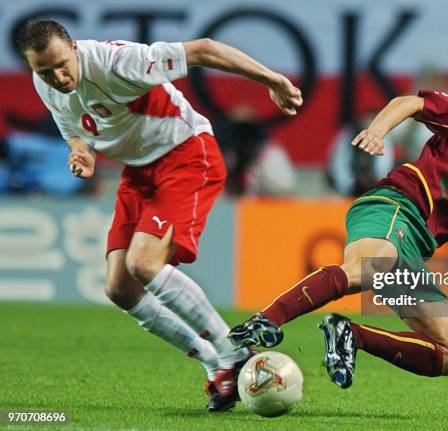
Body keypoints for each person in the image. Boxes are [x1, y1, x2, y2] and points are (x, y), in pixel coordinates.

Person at [16, 20, 302, 411]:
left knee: (143, 263)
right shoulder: (45, 80)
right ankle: (215, 365)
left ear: (75, 48)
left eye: (62, 65)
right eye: (45, 71)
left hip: (186, 154)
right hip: (138, 173)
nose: (58, 77)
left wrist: (271, 79)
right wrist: (81, 151)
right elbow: (73, 126)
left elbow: (203, 48)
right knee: (120, 289)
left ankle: (233, 353)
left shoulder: (119, 63)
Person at [228, 82, 448, 389]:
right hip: (396, 205)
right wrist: (377, 131)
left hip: (413, 248)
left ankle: (350, 335)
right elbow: (413, 103)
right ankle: (265, 320)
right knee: (369, 268)